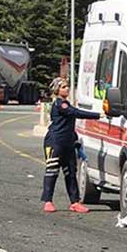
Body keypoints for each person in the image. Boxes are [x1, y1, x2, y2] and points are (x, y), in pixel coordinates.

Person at [41, 77, 101, 213]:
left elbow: (70, 122)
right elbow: (75, 113)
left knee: (71, 173)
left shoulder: (66, 103)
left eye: (67, 86)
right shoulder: (60, 104)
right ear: (56, 90)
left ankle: (74, 202)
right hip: (55, 142)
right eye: (63, 87)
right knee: (52, 172)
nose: (67, 89)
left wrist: (75, 141)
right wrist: (98, 115)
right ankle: (48, 201)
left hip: (68, 143)